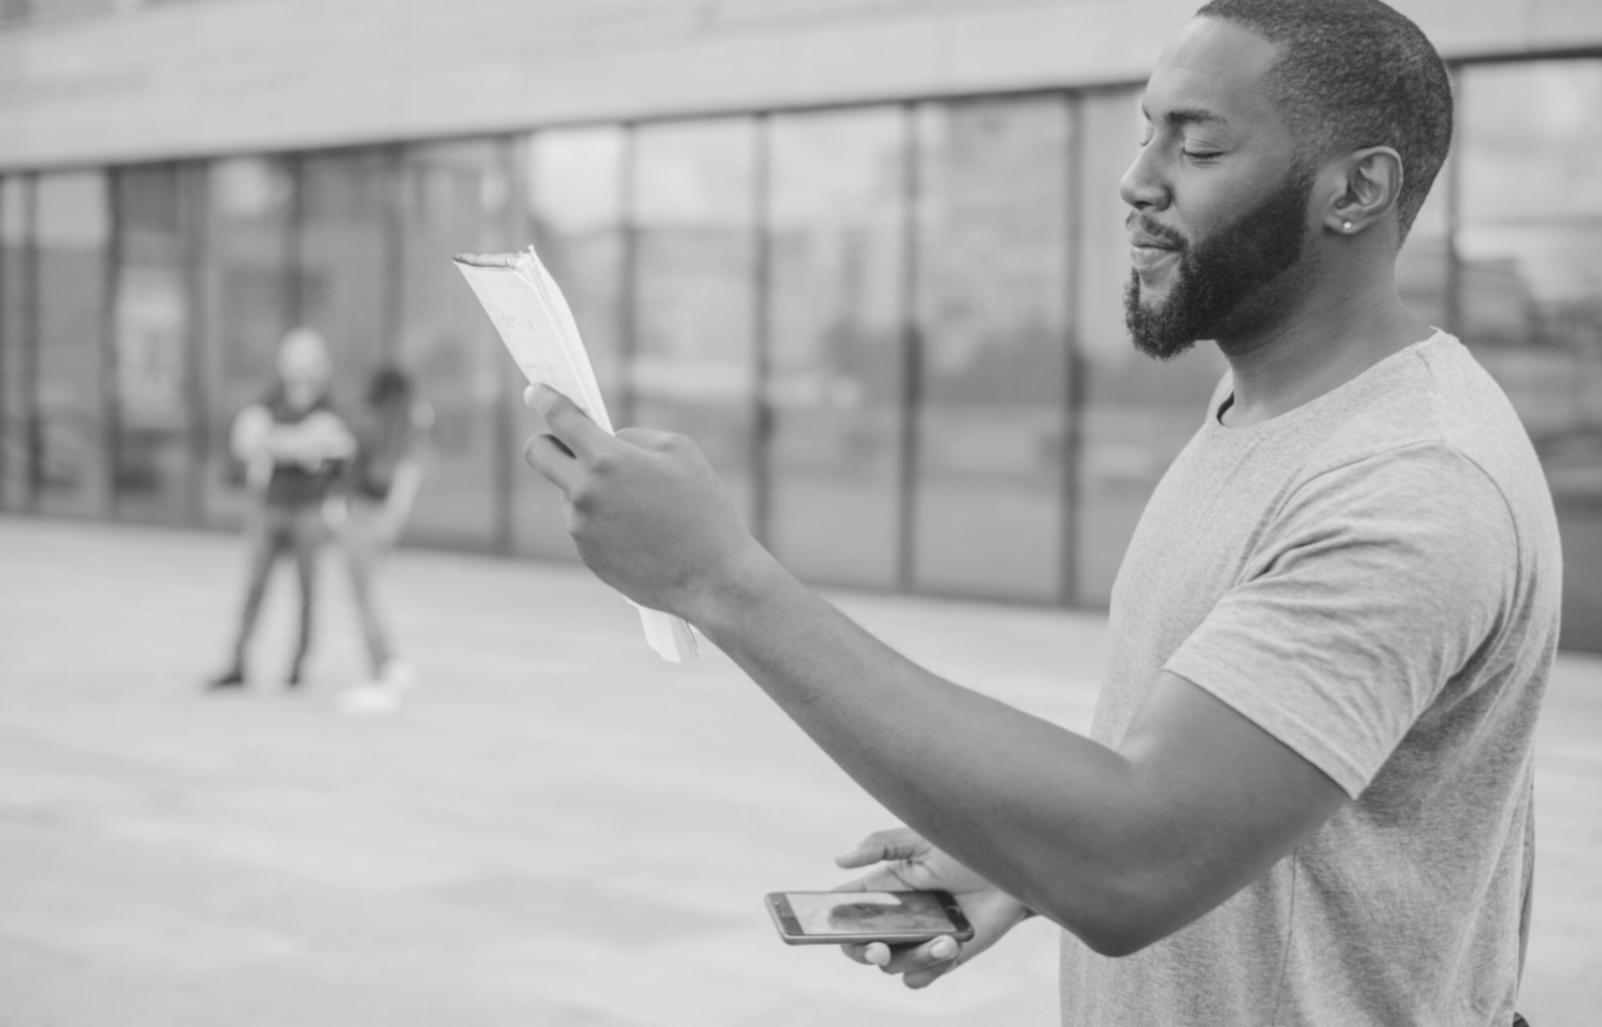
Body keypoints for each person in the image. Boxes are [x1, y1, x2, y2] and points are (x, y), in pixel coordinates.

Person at [519, 0, 1561, 1022]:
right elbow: (1222, 776)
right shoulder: (1266, 405)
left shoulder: (1414, 485)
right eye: (1146, 131)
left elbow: (1138, 858)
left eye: (1198, 147)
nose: (1137, 179)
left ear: (1357, 190)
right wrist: (1024, 862)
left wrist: (718, 578)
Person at [208, 328, 353, 691]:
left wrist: (277, 443)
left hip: (310, 510)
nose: (300, 368)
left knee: (307, 592)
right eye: (294, 359)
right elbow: (246, 440)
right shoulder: (268, 401)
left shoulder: (331, 408)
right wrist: (302, 444)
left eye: (308, 360)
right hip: (270, 506)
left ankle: (298, 665)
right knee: (254, 589)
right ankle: (238, 662)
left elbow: (335, 443)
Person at [329, 365, 431, 714]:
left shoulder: (377, 424)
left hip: (365, 516)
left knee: (365, 599)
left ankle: (382, 672)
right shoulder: (407, 424)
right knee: (369, 596)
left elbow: (366, 470)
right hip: (376, 516)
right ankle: (389, 665)